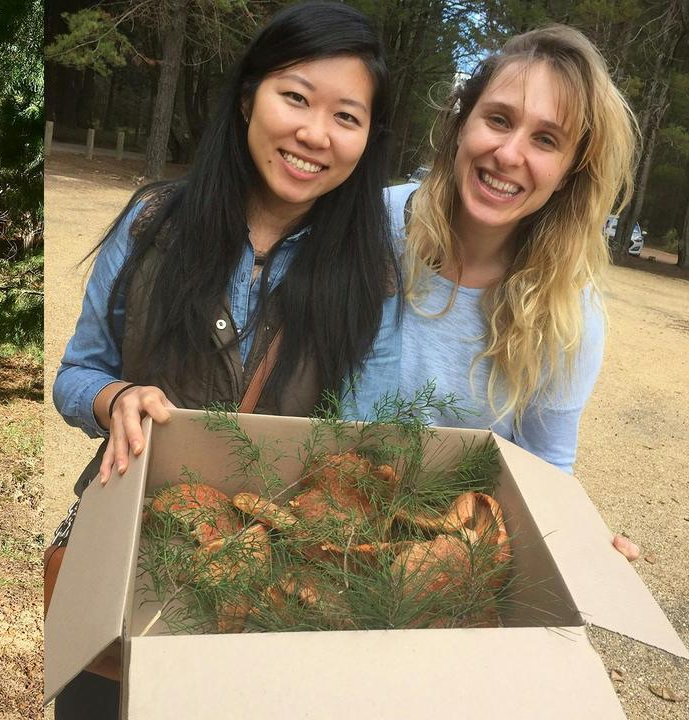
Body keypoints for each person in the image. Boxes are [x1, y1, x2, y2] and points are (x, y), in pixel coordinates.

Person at [50, 3, 396, 715]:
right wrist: (115, 400)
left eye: (346, 116)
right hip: (124, 565)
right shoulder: (153, 226)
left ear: (367, 139)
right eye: (294, 96)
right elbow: (75, 373)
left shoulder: (371, 279)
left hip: (262, 598)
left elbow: (358, 449)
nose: (313, 132)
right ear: (249, 97)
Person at [343, 26, 642, 558]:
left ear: (572, 171)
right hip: (316, 507)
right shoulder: (368, 220)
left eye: (545, 139)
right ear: (462, 122)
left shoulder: (569, 311)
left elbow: (547, 465)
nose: (509, 153)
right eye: (499, 119)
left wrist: (580, 548)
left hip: (443, 560)